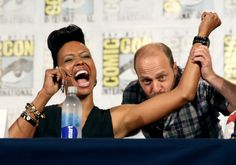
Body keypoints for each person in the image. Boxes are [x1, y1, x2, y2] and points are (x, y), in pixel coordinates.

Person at [8, 12, 220, 138]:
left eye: (85, 56)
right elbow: (11, 145)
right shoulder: (41, 116)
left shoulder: (115, 119)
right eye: (69, 60)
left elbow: (184, 93)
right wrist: (44, 94)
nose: (80, 61)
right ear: (58, 72)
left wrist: (202, 35)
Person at [122, 12, 236, 138]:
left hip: (207, 157)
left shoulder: (200, 86)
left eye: (161, 77)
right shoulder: (133, 92)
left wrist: (211, 76)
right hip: (162, 158)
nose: (155, 88)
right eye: (147, 81)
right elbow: (124, 129)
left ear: (174, 69)